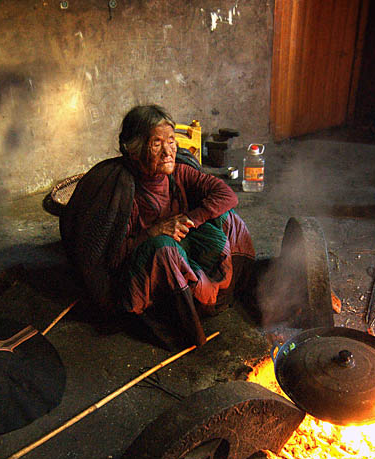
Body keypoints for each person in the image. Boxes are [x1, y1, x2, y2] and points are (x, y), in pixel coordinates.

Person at [60, 105, 255, 348]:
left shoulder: (179, 174)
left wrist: (189, 219)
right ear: (135, 150)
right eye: (156, 144)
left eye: (171, 141)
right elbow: (109, 259)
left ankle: (230, 293)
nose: (168, 152)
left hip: (184, 258)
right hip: (146, 278)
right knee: (165, 249)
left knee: (229, 219)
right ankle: (185, 327)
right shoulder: (121, 190)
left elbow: (226, 195)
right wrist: (153, 232)